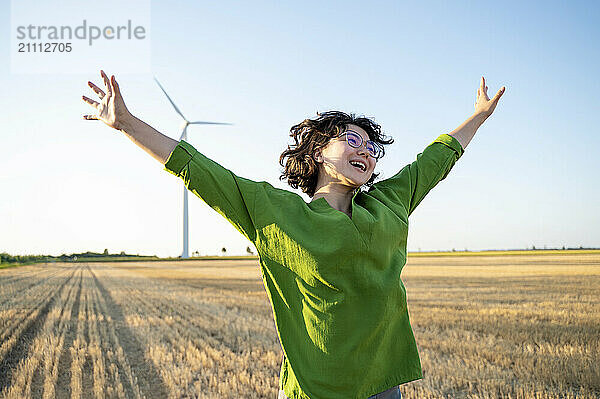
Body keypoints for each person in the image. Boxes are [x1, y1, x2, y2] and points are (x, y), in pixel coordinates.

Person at [82, 71, 505, 399]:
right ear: (318, 151)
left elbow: (435, 159)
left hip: (383, 384)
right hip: (315, 386)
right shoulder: (276, 212)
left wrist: (478, 117)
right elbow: (199, 169)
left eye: (373, 150)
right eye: (353, 140)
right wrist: (127, 123)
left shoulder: (390, 203)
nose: (366, 152)